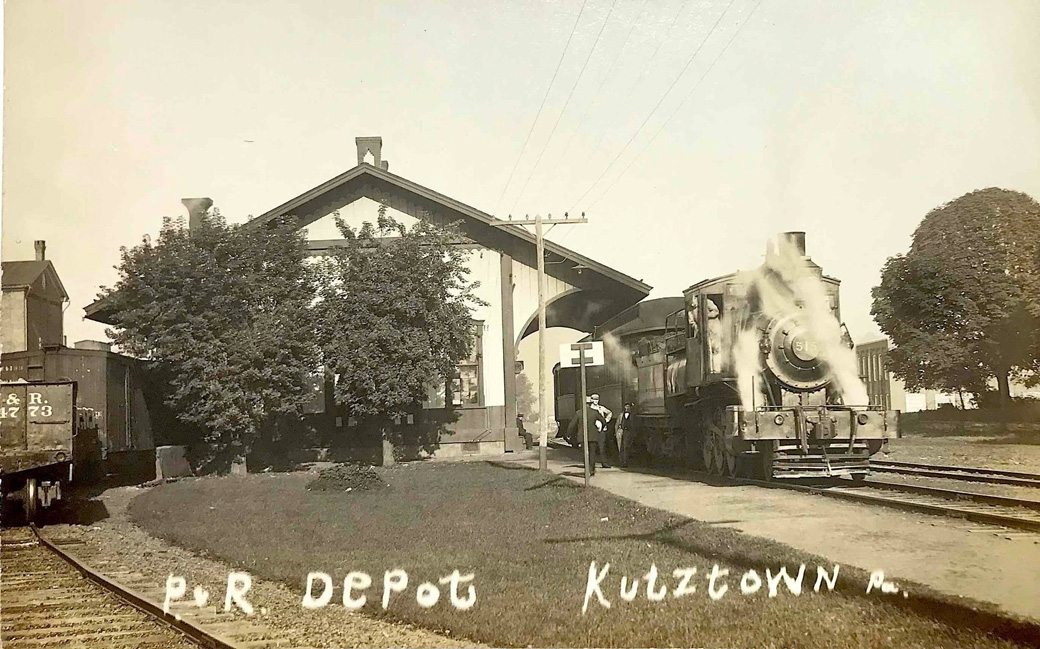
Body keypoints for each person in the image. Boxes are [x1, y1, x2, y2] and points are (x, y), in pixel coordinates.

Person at [567, 397, 609, 474]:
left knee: (585, 453)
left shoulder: (578, 413)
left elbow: (572, 425)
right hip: (593, 436)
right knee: (592, 453)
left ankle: (587, 468)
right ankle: (592, 469)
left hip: (582, 436)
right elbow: (603, 421)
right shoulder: (595, 412)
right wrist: (600, 429)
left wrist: (568, 434)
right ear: (590, 404)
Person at [615, 402, 635, 467]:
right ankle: (621, 462)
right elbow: (617, 424)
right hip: (621, 431)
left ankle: (625, 461)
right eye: (626, 407)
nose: (627, 408)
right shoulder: (621, 415)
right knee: (620, 447)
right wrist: (616, 432)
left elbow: (634, 425)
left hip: (628, 432)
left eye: (628, 407)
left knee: (626, 447)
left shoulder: (632, 415)